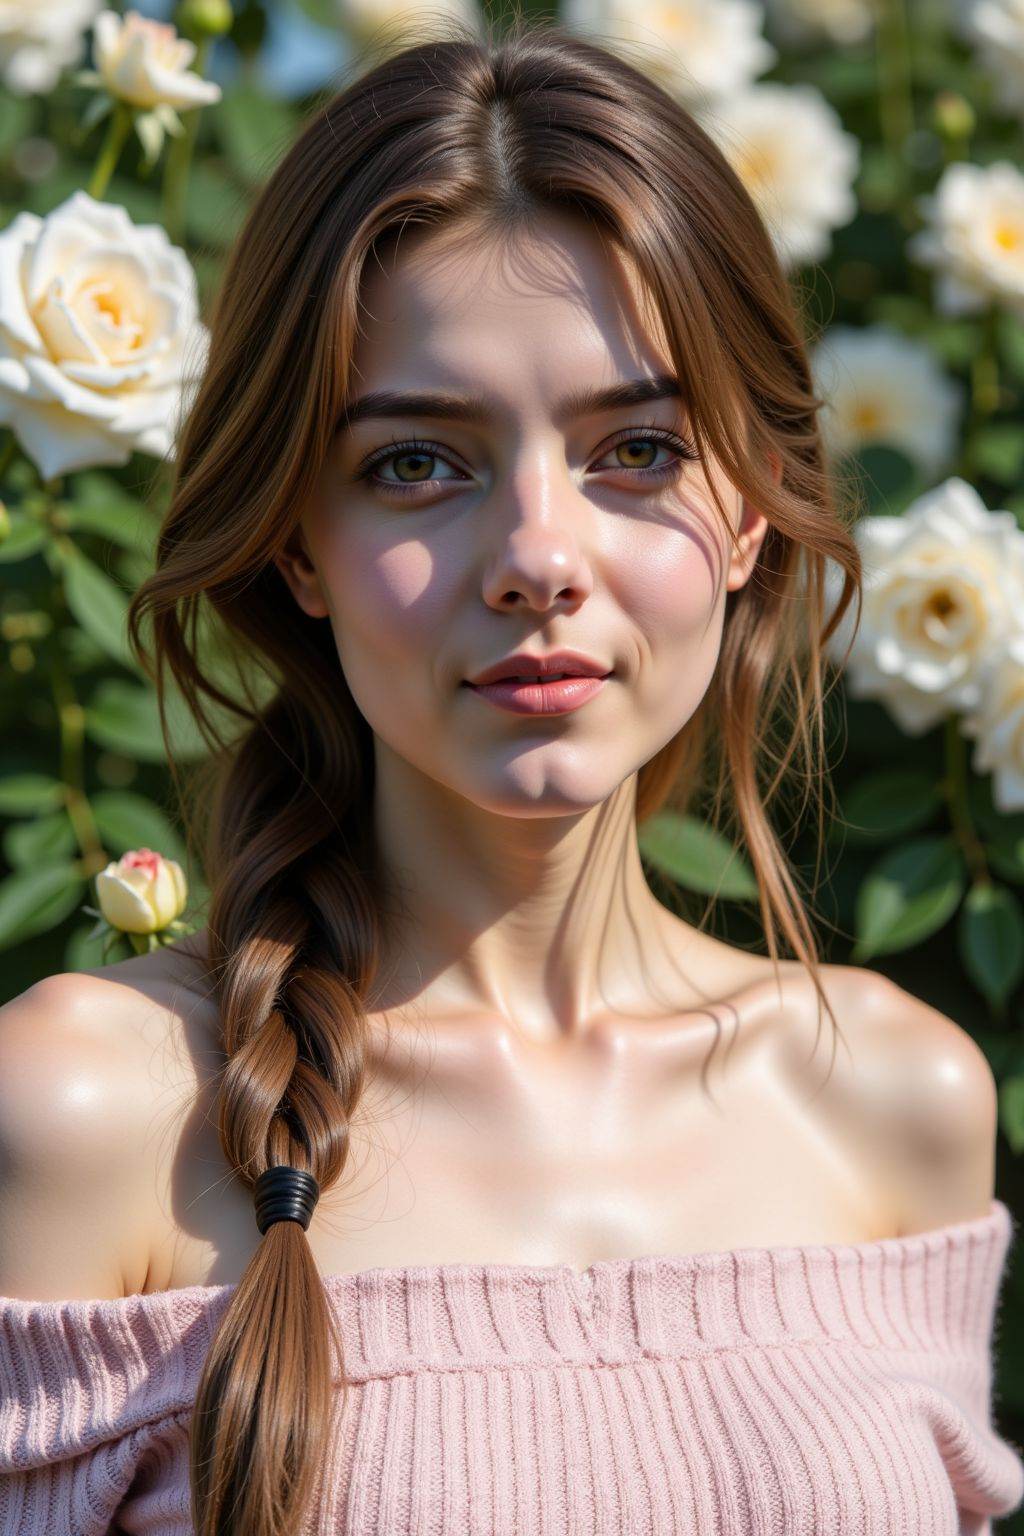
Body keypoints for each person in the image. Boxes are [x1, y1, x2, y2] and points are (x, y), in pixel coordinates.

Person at [1, 18, 1022, 1536]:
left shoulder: (894, 1100)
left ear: (750, 511)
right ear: (297, 539)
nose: (540, 559)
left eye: (641, 451)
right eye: (420, 461)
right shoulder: (92, 1111)